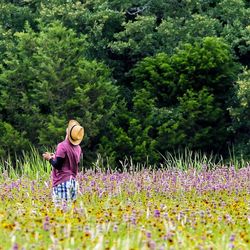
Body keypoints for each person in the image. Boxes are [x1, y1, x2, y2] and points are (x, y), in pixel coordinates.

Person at [42, 120, 84, 208]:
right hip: (73, 182)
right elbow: (69, 162)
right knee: (71, 212)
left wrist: (49, 158)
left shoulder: (62, 145)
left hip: (62, 182)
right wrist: (55, 157)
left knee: (61, 211)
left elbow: (58, 165)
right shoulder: (78, 148)